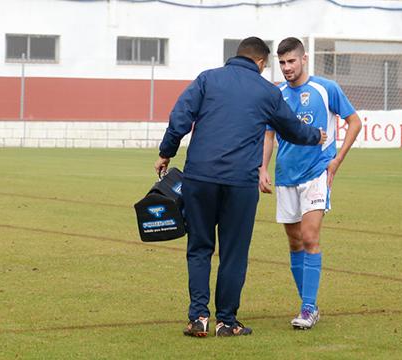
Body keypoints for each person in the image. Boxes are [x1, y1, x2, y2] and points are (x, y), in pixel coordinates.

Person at [155, 37, 327, 338]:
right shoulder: (267, 91)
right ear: (261, 63)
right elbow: (291, 128)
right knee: (233, 253)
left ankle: (198, 317)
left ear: (237, 56)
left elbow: (180, 116)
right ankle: (226, 321)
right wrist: (316, 136)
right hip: (240, 183)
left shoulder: (207, 79)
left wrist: (166, 151)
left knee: (199, 248)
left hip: (200, 178)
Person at [259, 37, 362, 330]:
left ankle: (307, 308)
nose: (286, 67)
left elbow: (354, 122)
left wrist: (337, 160)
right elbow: (268, 135)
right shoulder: (276, 94)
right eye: (281, 63)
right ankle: (310, 305)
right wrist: (262, 168)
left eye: (291, 61)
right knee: (294, 242)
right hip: (286, 175)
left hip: (317, 172)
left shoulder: (326, 88)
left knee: (309, 236)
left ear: (304, 59)